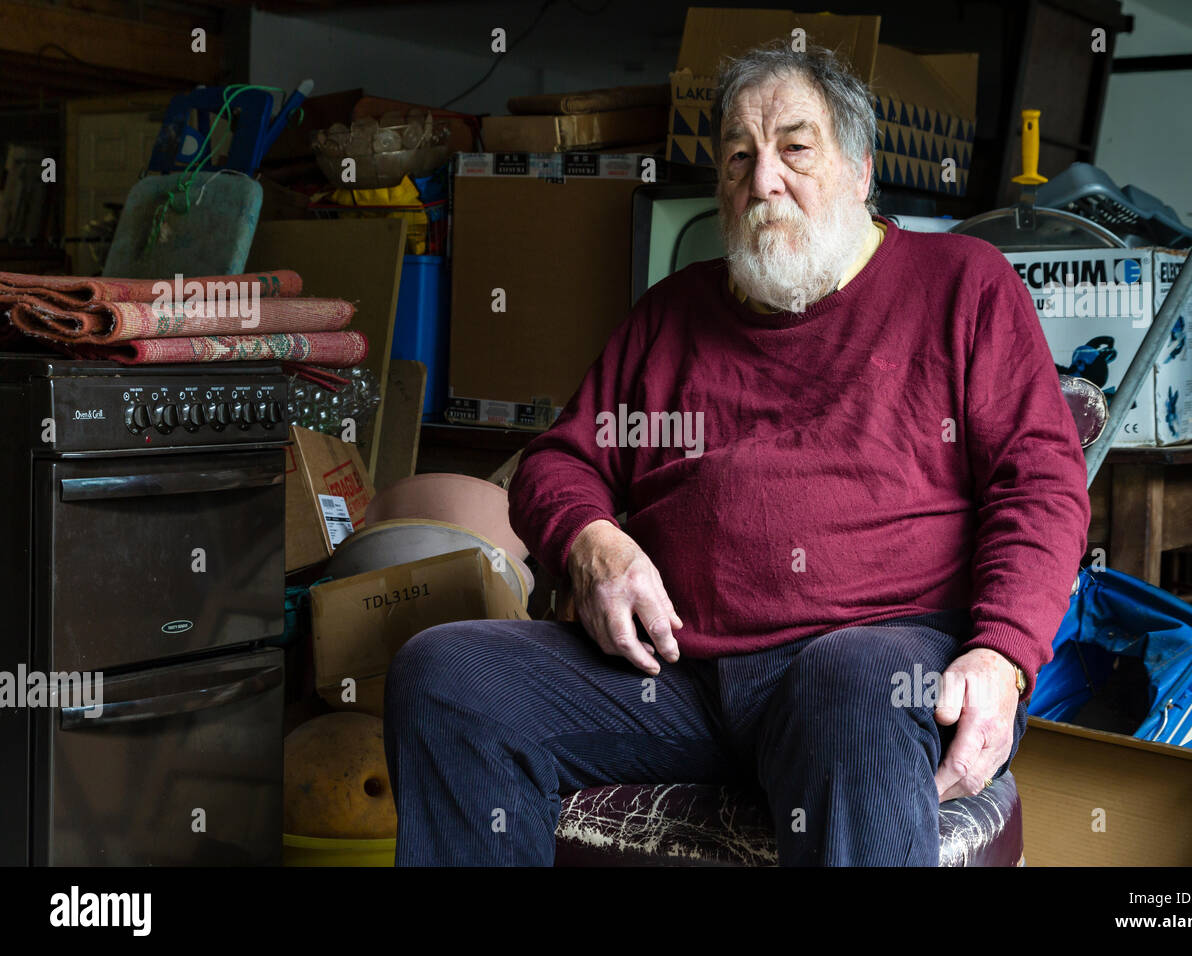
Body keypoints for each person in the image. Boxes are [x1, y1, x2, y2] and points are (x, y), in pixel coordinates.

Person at [384, 42, 1090, 866]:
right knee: (445, 676)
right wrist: (592, 541)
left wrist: (1001, 652)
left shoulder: (963, 285)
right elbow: (558, 462)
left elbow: (1040, 484)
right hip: (678, 673)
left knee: (849, 680)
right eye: (738, 157)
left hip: (878, 663)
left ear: (861, 170)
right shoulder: (670, 316)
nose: (763, 181)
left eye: (795, 149)